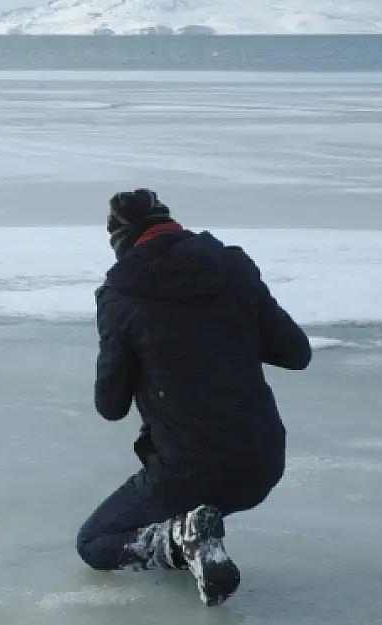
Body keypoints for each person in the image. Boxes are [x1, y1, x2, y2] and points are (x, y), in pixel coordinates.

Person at [76, 188, 312, 607]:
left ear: (120, 242)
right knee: (189, 493)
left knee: (96, 542)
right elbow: (295, 353)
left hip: (187, 469)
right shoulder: (234, 269)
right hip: (261, 462)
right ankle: (195, 543)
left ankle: (176, 541)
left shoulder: (121, 298)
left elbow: (110, 406)